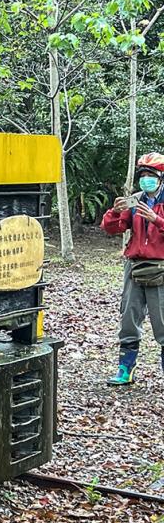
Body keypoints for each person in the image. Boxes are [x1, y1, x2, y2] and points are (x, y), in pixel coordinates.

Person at [101, 152, 164, 385]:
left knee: (163, 323)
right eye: (143, 175)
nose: (146, 179)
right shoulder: (135, 201)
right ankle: (125, 370)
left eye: (151, 175)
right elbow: (111, 228)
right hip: (134, 266)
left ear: (161, 177)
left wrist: (157, 220)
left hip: (160, 267)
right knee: (128, 318)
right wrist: (115, 212)